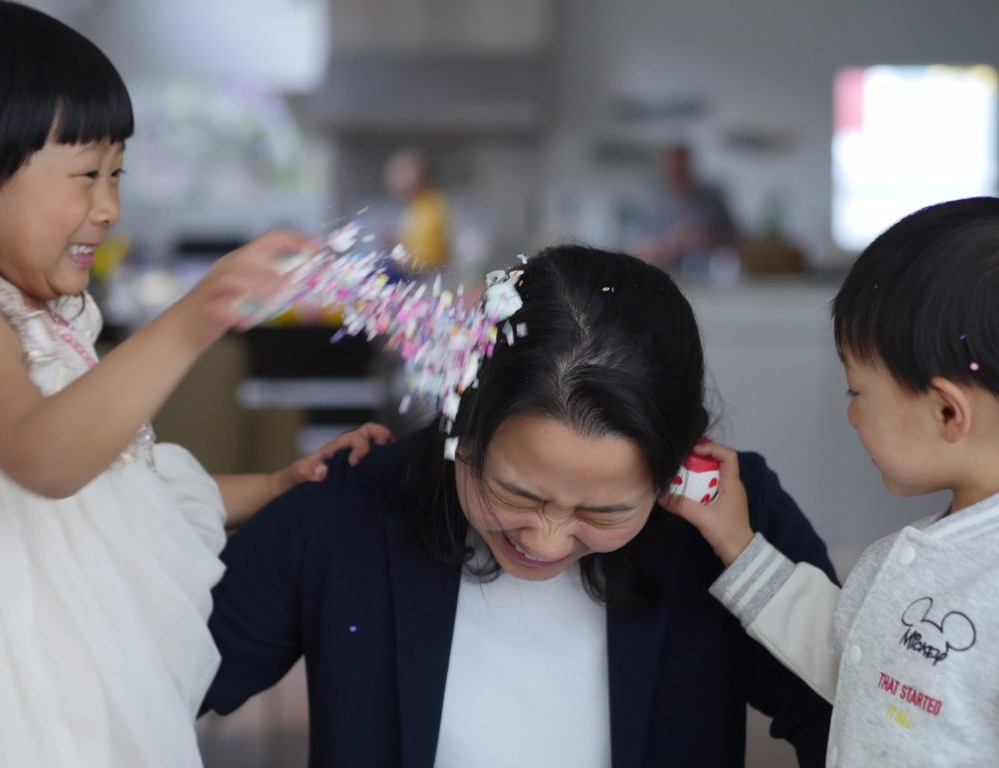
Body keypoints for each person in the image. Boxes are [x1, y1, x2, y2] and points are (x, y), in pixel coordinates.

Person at [203, 244, 836, 767]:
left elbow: (855, 724)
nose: (549, 540)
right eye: (516, 495)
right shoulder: (353, 507)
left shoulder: (732, 524)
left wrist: (748, 561)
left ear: (676, 469)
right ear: (462, 422)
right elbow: (150, 681)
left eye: (604, 513)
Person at [0, 3, 392, 766]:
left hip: (90, 671)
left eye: (117, 173)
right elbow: (45, 460)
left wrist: (272, 486)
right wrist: (192, 318)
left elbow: (122, 490)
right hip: (21, 685)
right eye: (86, 175)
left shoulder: (50, 317)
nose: (110, 207)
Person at [672, 197, 999, 766]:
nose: (850, 414)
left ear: (947, 413)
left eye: (856, 391)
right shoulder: (906, 558)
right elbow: (854, 659)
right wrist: (737, 542)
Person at [628, 142, 737, 272]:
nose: (677, 174)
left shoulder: (711, 199)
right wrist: (674, 242)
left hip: (706, 277)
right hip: (663, 277)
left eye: (681, 168)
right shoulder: (648, 203)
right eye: (672, 169)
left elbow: (737, 241)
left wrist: (708, 240)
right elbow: (635, 253)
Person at [384, 147, 450, 272]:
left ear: (421, 173)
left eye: (401, 171)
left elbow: (426, 260)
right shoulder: (410, 208)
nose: (392, 179)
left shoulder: (434, 207)